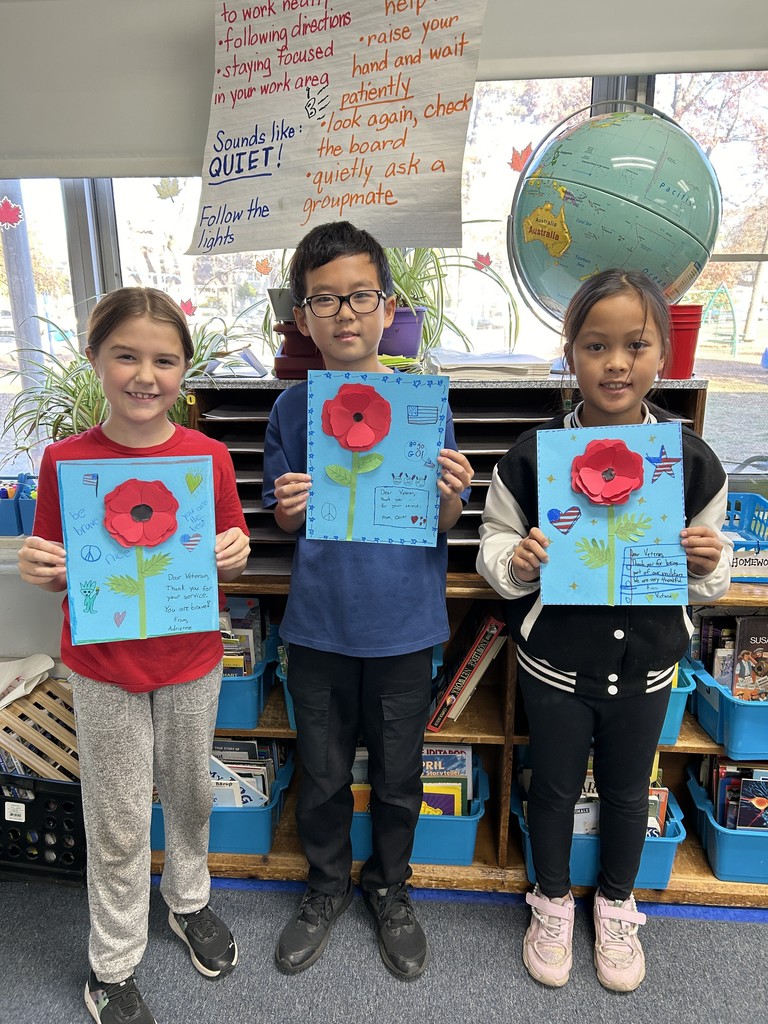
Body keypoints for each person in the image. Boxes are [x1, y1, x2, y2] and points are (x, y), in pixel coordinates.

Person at [476, 269, 731, 993]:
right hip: (556, 664)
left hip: (648, 667)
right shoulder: (533, 457)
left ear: (664, 356)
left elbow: (710, 573)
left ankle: (617, 904)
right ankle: (552, 901)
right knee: (553, 789)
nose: (616, 363)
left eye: (636, 345)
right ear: (570, 354)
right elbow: (495, 545)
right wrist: (518, 560)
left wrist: (709, 562)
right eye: (595, 346)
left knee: (628, 792)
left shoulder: (691, 462)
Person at [18, 287, 251, 1024]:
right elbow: (58, 561)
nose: (145, 375)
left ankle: (187, 901)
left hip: (191, 661)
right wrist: (41, 567)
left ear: (184, 369)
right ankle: (112, 967)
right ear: (95, 359)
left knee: (189, 794)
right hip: (105, 670)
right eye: (126, 356)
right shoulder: (66, 461)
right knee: (116, 818)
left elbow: (231, 544)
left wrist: (235, 551)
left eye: (165, 360)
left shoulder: (208, 457)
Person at [262, 220, 473, 981]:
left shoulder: (422, 403)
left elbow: (444, 520)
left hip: (403, 627)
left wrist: (451, 495)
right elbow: (285, 521)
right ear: (302, 317)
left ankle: (390, 887)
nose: (344, 313)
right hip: (320, 625)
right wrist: (290, 507)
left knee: (398, 775)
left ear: (388, 306)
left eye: (359, 296)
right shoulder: (292, 411)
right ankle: (325, 886)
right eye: (324, 299)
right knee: (321, 774)